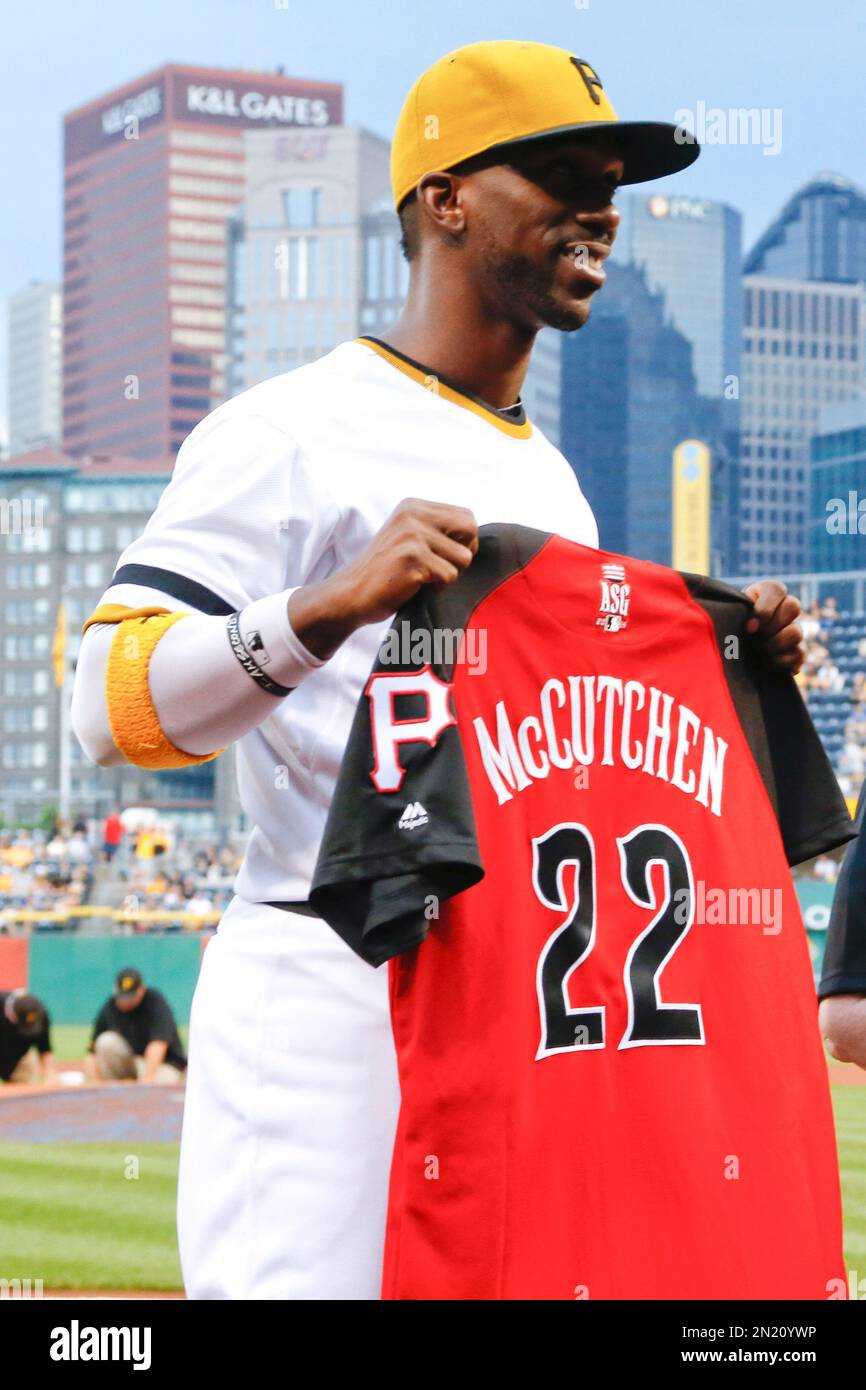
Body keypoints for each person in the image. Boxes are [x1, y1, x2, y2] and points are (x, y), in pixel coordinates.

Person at [71, 41, 807, 1299]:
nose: (602, 208)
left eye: (614, 180)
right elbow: (106, 707)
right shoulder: (286, 428)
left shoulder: (556, 487)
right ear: (443, 198)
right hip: (323, 985)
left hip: (502, 998)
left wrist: (736, 664)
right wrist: (325, 605)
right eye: (562, 171)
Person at [85, 968, 186, 1085]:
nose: (125, 1000)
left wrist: (148, 1080)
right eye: (121, 996)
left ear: (141, 991)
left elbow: (158, 1044)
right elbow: (92, 1053)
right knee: (106, 1041)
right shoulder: (110, 1007)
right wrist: (95, 1083)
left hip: (162, 1065)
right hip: (133, 1063)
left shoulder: (155, 1002)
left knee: (162, 1082)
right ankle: (114, 1089)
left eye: (129, 996)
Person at [0, 990, 58, 1086]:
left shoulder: (41, 1015)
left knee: (23, 1090)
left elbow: (45, 1049)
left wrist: (50, 1075)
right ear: (12, 1016)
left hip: (18, 1058)